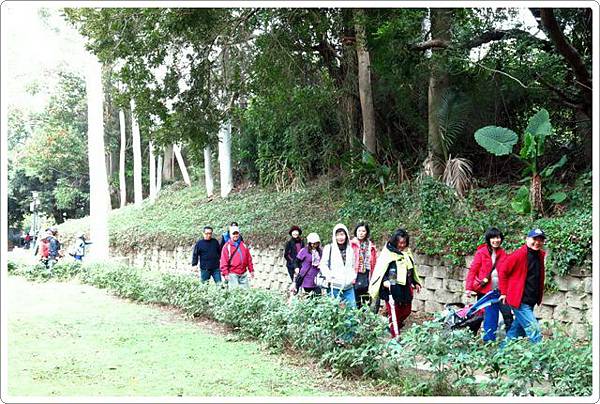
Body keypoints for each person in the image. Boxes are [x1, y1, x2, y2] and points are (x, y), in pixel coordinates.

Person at [368, 228, 422, 338]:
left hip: (405, 284)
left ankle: (393, 324)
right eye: (400, 242)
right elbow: (380, 270)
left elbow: (411, 268)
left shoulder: (407, 252)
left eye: (404, 242)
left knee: (406, 310)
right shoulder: (388, 253)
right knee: (394, 311)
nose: (402, 245)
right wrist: (385, 281)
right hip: (391, 283)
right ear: (395, 241)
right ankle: (395, 336)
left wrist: (415, 282)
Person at [464, 227, 513, 342]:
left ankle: (511, 342)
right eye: (493, 238)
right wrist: (468, 288)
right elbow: (473, 270)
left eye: (498, 237)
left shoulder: (502, 253)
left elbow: (507, 272)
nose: (496, 240)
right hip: (486, 292)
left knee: (508, 316)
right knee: (489, 317)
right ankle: (488, 342)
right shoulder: (481, 253)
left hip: (501, 291)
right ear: (489, 239)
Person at [498, 228, 547, 344]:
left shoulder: (540, 255)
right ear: (527, 239)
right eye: (535, 239)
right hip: (519, 300)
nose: (537, 242)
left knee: (516, 331)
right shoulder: (519, 255)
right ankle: (540, 360)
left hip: (530, 300)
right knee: (534, 331)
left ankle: (501, 354)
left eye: (541, 240)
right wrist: (504, 292)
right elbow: (503, 271)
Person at [318, 223, 357, 308]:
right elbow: (323, 264)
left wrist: (352, 276)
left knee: (352, 311)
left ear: (346, 235)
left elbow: (353, 265)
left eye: (342, 235)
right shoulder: (329, 248)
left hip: (348, 286)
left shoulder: (350, 250)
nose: (340, 237)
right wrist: (329, 275)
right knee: (332, 310)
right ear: (334, 236)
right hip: (334, 285)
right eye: (338, 235)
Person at [350, 222, 378, 308]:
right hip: (355, 274)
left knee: (366, 298)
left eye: (363, 231)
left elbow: (374, 261)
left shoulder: (371, 246)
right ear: (356, 232)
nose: (361, 233)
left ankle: (364, 317)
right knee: (355, 298)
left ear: (366, 233)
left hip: (367, 274)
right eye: (359, 231)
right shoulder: (351, 244)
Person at [220, 224, 254, 288]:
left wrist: (251, 270)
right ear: (230, 235)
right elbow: (223, 261)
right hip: (232, 273)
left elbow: (248, 258)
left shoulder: (243, 245)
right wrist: (225, 273)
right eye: (233, 234)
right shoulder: (227, 246)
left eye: (237, 233)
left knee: (246, 293)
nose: (235, 235)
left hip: (243, 273)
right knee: (234, 293)